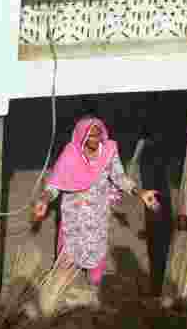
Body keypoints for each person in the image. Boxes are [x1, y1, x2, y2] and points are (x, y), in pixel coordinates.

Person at [33, 116, 159, 287]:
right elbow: (54, 186)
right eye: (90, 136)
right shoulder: (70, 154)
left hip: (97, 213)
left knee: (96, 251)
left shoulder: (108, 151)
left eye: (98, 135)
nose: (96, 139)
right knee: (69, 250)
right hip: (73, 214)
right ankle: (64, 275)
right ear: (80, 136)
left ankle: (93, 277)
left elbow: (119, 177)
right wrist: (44, 200)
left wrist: (140, 192)